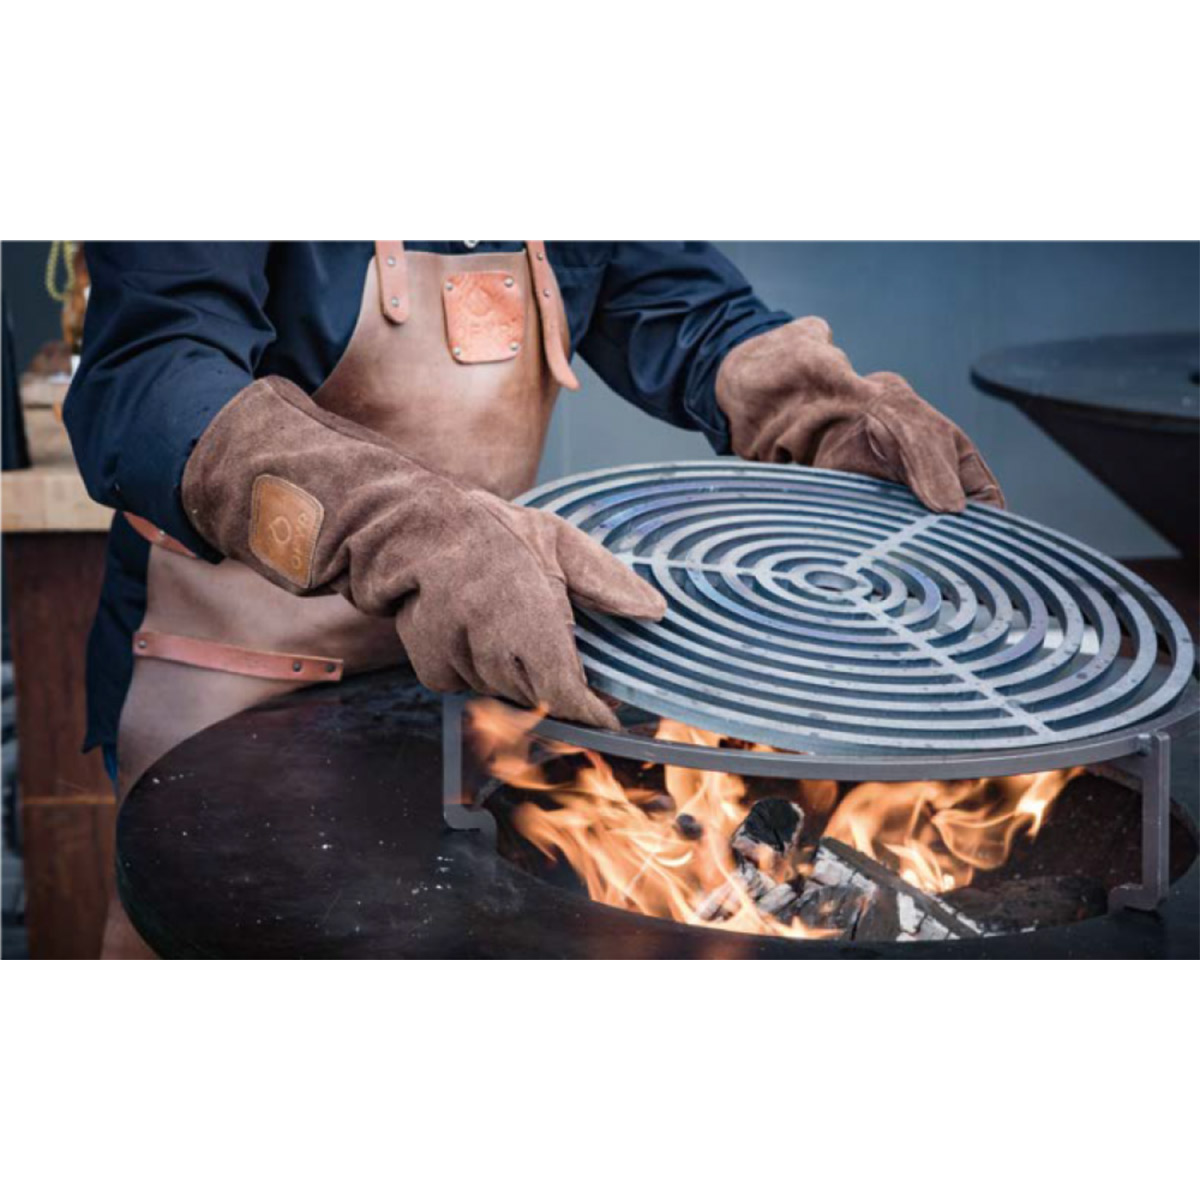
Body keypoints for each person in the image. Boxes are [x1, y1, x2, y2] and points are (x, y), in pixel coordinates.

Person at [66, 241, 1004, 806]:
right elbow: (150, 381)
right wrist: (402, 525)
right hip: (241, 678)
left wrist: (819, 408)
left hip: (486, 663)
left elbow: (689, 312)